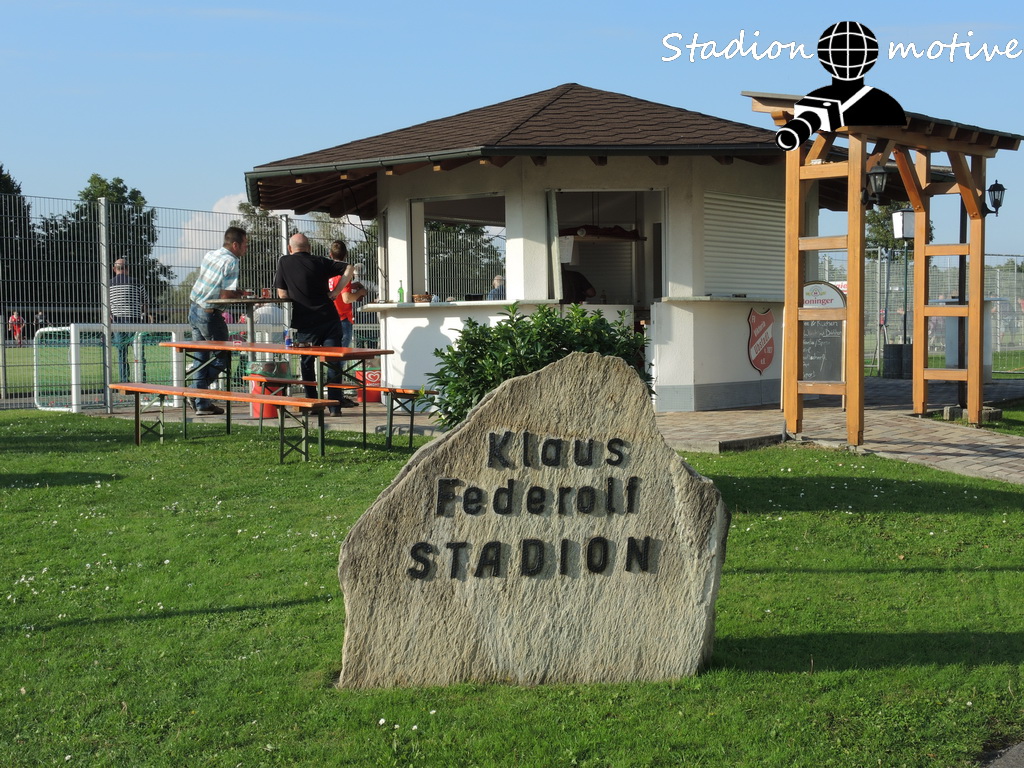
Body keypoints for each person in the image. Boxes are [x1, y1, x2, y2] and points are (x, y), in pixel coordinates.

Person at [274, 233, 354, 415]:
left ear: (290, 248)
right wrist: (335, 292)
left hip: (306, 321)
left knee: (307, 363)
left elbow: (282, 294)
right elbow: (349, 268)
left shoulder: (284, 262)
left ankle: (313, 403)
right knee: (333, 362)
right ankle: (335, 406)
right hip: (330, 319)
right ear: (309, 248)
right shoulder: (320, 261)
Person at [187, 226, 248, 415]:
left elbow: (213, 286)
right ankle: (197, 393)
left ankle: (202, 404)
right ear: (235, 245)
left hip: (194, 308)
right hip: (209, 313)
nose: (246, 248)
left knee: (201, 358)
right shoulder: (232, 261)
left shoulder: (210, 255)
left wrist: (234, 292)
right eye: (245, 244)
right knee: (224, 356)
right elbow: (225, 295)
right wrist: (240, 295)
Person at [110, 258, 149, 382]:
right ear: (128, 268)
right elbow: (146, 302)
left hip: (117, 323)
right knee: (139, 352)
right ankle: (142, 380)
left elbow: (106, 306)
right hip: (134, 321)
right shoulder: (136, 282)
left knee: (121, 354)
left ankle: (124, 380)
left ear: (114, 269)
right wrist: (145, 316)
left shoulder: (109, 284)